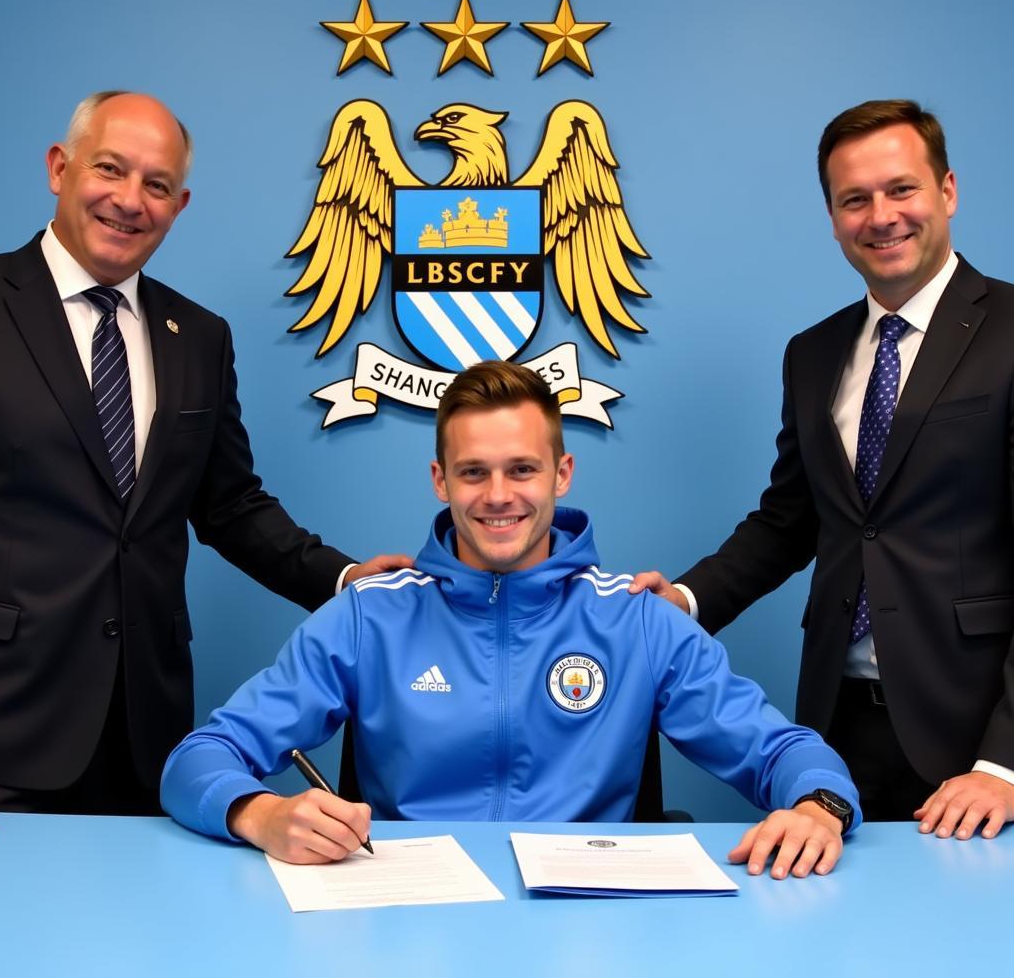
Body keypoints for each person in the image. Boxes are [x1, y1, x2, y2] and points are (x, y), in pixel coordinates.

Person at [162, 360, 861, 880]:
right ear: (441, 480)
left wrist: (819, 805)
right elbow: (197, 761)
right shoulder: (368, 616)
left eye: (522, 470)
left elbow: (785, 754)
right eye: (473, 473)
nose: (499, 497)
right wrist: (263, 814)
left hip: (592, 929)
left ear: (562, 473)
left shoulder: (638, 622)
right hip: (408, 919)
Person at [0, 91, 409, 817]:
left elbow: (230, 505)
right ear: (60, 169)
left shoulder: (199, 336)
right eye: (110, 170)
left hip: (145, 731)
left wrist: (345, 581)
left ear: (179, 205)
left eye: (156, 185)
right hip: (5, 722)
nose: (130, 200)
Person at [632, 100, 1014, 838]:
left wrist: (1004, 763)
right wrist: (682, 600)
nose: (881, 216)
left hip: (980, 740)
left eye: (901, 189)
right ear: (834, 217)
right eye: (854, 200)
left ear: (948, 192)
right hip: (838, 731)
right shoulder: (813, 354)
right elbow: (789, 522)